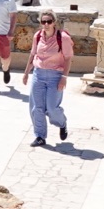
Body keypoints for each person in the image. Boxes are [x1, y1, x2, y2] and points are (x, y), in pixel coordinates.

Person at [22, 9, 73, 147]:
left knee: (51, 108)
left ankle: (62, 123)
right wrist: (26, 73)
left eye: (49, 22)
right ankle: (40, 136)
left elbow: (68, 58)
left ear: (54, 22)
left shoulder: (63, 38)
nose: (46, 24)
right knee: (36, 107)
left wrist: (64, 77)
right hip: (38, 74)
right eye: (43, 22)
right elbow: (33, 54)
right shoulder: (38, 36)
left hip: (55, 76)